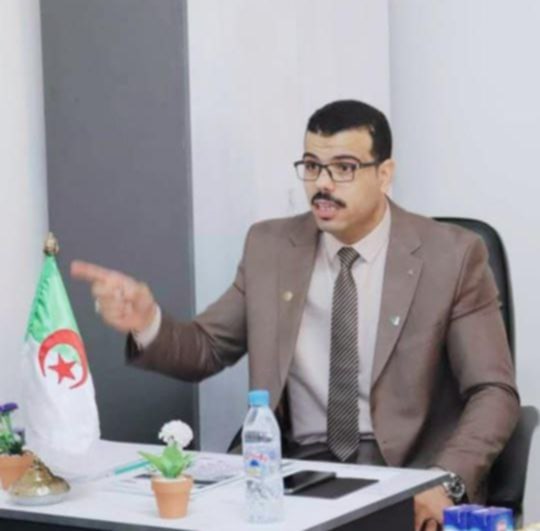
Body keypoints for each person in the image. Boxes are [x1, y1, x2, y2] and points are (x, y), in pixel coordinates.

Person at [72, 100, 519, 531]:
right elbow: (206, 349)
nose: (322, 184)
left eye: (344, 168)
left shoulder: (452, 255)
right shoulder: (270, 248)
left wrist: (445, 481)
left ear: (384, 174)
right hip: (293, 474)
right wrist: (148, 322)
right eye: (311, 166)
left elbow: (493, 392)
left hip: (408, 475)